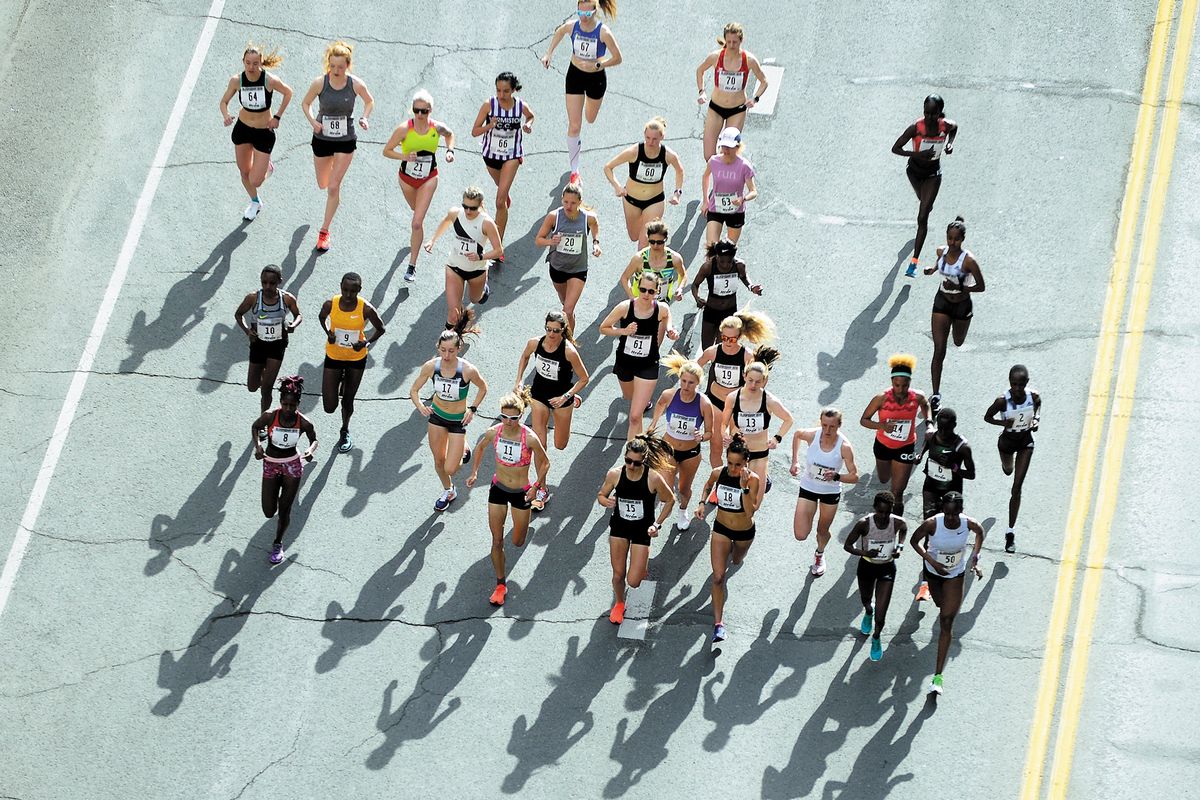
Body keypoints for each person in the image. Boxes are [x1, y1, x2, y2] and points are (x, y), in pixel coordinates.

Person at [466, 387, 550, 606]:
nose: (508, 421)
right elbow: (480, 447)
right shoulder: (494, 432)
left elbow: (545, 462)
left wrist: (536, 487)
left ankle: (526, 525)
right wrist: (474, 472)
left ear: (521, 416)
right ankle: (500, 584)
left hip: (522, 493)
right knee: (497, 540)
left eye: (513, 418)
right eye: (504, 416)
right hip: (498, 489)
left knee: (518, 541)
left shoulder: (529, 438)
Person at [300, 41, 375, 252]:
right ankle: (332, 174)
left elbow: (369, 101)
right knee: (322, 184)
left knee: (333, 186)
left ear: (348, 66)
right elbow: (305, 103)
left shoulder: (355, 84)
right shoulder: (319, 83)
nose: (336, 71)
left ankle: (324, 231)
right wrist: (313, 122)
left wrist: (364, 118)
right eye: (332, 66)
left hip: (345, 139)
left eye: (340, 67)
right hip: (322, 138)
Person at [909, 491, 985, 695]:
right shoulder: (933, 523)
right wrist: (931, 561)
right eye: (948, 514)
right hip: (934, 573)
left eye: (955, 514)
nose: (951, 518)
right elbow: (914, 541)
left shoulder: (968, 523)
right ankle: (929, 590)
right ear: (943, 510)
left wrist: (975, 557)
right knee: (940, 605)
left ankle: (937, 677)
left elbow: (980, 532)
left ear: (961, 511)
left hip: (955, 575)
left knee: (946, 621)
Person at [410, 318, 489, 512]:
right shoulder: (431, 367)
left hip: (456, 421)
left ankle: (463, 447)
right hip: (437, 417)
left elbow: (483, 388)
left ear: (458, 349)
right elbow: (414, 390)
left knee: (451, 468)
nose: (446, 355)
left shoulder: (468, 370)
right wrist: (420, 405)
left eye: (451, 351)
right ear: (438, 348)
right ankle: (448, 490)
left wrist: (472, 409)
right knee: (438, 461)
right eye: (443, 350)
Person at [540, 0, 623, 184]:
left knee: (590, 119)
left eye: (587, 14)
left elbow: (618, 58)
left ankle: (588, 107)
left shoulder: (603, 32)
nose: (583, 18)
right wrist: (549, 53)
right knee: (575, 125)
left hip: (596, 78)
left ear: (595, 11)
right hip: (575, 75)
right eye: (580, 13)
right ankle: (574, 170)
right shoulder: (572, 26)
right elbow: (560, 31)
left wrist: (601, 64)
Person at [514, 311, 590, 511]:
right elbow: (524, 357)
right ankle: (541, 488)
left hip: (561, 398)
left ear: (563, 330)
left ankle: (574, 398)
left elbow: (584, 378)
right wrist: (519, 380)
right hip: (538, 394)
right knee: (540, 444)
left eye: (556, 330)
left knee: (561, 444)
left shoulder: (569, 351)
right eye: (548, 329)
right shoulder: (535, 343)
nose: (551, 334)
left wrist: (566, 396)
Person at [596, 432, 675, 625]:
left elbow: (669, 500)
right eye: (628, 461)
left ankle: (640, 569)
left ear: (644, 461)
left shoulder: (653, 478)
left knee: (633, 581)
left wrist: (657, 524)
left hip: (642, 530)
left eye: (636, 463)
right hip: (620, 527)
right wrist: (606, 501)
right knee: (618, 574)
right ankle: (619, 603)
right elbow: (601, 495)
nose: (631, 466)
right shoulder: (615, 474)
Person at [382, 89, 456, 283]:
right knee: (415, 209)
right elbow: (386, 151)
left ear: (430, 110)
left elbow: (450, 135)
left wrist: (450, 151)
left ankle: (412, 266)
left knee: (416, 222)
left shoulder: (436, 128)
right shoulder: (404, 129)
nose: (420, 115)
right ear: (412, 110)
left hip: (429, 178)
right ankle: (416, 236)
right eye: (417, 111)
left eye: (424, 111)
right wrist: (403, 156)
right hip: (407, 178)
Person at [695, 434, 762, 642]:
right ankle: (718, 625)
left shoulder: (753, 480)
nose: (733, 469)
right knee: (718, 577)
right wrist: (701, 502)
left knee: (736, 560)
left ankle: (735, 556)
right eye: (730, 463)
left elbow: (750, 512)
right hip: (721, 529)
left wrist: (743, 487)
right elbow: (707, 485)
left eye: (738, 465)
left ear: (746, 463)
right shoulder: (718, 473)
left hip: (744, 532)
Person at [599, 271, 678, 438]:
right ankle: (641, 403)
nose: (646, 294)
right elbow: (603, 328)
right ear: (637, 288)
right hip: (625, 362)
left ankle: (634, 456)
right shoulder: (625, 307)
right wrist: (624, 331)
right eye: (643, 290)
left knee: (635, 416)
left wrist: (670, 330)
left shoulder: (661, 309)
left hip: (648, 364)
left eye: (651, 291)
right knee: (629, 396)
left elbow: (667, 318)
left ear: (657, 292)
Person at [219, 45, 293, 221]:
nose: (251, 67)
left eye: (255, 63)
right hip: (243, 129)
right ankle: (255, 202)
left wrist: (277, 117)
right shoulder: (237, 81)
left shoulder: (269, 80)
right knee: (244, 172)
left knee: (255, 180)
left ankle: (267, 167)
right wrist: (226, 115)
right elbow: (223, 102)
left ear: (261, 63)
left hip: (263, 132)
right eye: (247, 63)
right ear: (243, 62)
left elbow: (288, 93)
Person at [695, 311, 777, 467]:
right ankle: (720, 480)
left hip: (737, 406)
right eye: (724, 337)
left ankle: (739, 481)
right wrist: (696, 389)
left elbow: (761, 377)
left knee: (739, 448)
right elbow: (694, 367)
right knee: (716, 446)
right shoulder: (712, 352)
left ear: (739, 337)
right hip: (716, 402)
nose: (727, 342)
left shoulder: (747, 356)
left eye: (731, 339)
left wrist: (752, 395)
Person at [251, 376, 317, 564]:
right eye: (285, 404)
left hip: (292, 465)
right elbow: (255, 427)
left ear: (298, 403)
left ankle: (278, 543)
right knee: (268, 511)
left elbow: (314, 439)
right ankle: (278, 501)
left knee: (285, 510)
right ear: (280, 402)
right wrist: (258, 447)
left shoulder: (304, 422)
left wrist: (310, 450)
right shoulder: (270, 416)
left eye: (292, 405)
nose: (288, 409)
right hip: (271, 463)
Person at [892, 94, 958, 277]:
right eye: (926, 113)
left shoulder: (945, 125)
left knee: (922, 217)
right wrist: (917, 155)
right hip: (914, 172)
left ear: (939, 114)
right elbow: (895, 148)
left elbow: (955, 128)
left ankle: (914, 262)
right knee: (924, 201)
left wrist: (950, 145)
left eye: (933, 114)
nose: (929, 117)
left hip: (932, 174)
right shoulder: (916, 128)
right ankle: (927, 202)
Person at [318, 272, 385, 453]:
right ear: (340, 286)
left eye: (353, 291)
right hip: (334, 356)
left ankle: (345, 430)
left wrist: (367, 342)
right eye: (345, 290)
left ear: (359, 290)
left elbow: (381, 328)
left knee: (347, 400)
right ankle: (340, 380)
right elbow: (321, 317)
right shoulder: (331, 304)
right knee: (329, 407)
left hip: (356, 358)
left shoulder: (366, 309)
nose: (348, 295)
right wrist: (328, 334)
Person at [925, 216, 985, 413]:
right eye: (950, 238)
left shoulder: (969, 261)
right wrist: (932, 270)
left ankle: (957, 331)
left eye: (956, 239)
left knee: (958, 341)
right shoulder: (941, 252)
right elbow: (940, 262)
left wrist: (960, 286)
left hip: (961, 306)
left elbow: (981, 286)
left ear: (963, 239)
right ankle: (935, 395)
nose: (952, 242)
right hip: (942, 302)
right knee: (939, 349)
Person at [790, 408, 859, 577]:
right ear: (820, 423)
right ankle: (815, 537)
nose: (827, 430)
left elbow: (854, 476)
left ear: (839, 426)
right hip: (808, 488)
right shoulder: (812, 435)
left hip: (830, 493)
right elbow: (797, 434)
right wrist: (795, 462)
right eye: (824, 425)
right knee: (800, 534)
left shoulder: (844, 447)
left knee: (822, 530)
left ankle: (819, 554)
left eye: (832, 427)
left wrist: (837, 476)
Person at [859, 354, 931, 517]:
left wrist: (929, 424)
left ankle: (896, 524)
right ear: (892, 382)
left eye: (904, 385)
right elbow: (864, 420)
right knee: (884, 479)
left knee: (897, 492)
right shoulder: (881, 398)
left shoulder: (917, 396)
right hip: (883, 446)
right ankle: (892, 470)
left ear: (909, 383)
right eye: (897, 385)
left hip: (905, 446)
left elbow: (926, 405)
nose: (900, 389)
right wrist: (881, 426)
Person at [914, 407, 975, 601]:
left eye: (947, 429)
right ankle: (925, 585)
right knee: (928, 531)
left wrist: (954, 467)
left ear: (955, 427)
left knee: (946, 532)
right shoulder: (932, 436)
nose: (943, 432)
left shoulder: (962, 446)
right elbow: (926, 443)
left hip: (951, 495)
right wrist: (920, 456)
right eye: (940, 428)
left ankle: (949, 565)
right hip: (931, 488)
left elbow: (971, 474)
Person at [649, 355, 716, 530]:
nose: (685, 386)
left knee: (684, 489)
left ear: (698, 383)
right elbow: (660, 404)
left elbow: (710, 432)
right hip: (668, 449)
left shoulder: (704, 403)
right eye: (683, 381)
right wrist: (653, 423)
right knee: (666, 486)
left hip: (690, 453)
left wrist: (702, 436)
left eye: (690, 383)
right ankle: (664, 511)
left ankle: (682, 510)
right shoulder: (669, 395)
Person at [425, 187, 505, 330]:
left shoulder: (486, 223)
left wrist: (480, 256)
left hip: (476, 271)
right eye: (465, 206)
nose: (468, 211)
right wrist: (432, 240)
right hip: (454, 267)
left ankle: (483, 291)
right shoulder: (455, 213)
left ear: (480, 205)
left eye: (472, 208)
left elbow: (499, 250)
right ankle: (451, 342)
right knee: (453, 313)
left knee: (475, 299)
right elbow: (445, 222)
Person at [471, 72, 535, 243]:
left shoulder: (520, 106)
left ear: (513, 90)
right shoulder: (489, 105)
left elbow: (530, 115)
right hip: (491, 156)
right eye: (498, 90)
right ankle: (504, 193)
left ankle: (497, 246)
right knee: (502, 190)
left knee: (500, 202)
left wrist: (528, 124)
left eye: (506, 91)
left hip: (512, 156)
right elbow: (474, 131)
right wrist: (489, 126)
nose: (501, 95)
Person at [844, 491, 907, 662]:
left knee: (881, 615)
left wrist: (900, 547)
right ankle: (868, 611)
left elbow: (904, 529)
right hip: (866, 567)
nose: (884, 516)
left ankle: (877, 637)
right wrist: (865, 552)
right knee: (866, 600)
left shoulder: (896, 522)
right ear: (874, 508)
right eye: (881, 511)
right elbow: (847, 545)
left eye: (888, 512)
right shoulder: (864, 524)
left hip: (887, 569)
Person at [719, 358, 792, 504]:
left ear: (764, 381)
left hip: (759, 453)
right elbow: (723, 424)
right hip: (738, 453)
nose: (753, 385)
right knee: (735, 496)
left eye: (758, 382)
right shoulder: (733, 398)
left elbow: (788, 419)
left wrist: (777, 438)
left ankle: (765, 478)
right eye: (750, 380)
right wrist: (725, 435)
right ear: (744, 376)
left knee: (755, 501)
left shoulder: (769, 400)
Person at [984, 365, 1041, 553]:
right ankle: (1006, 465)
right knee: (1008, 470)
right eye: (1014, 384)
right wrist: (1002, 422)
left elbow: (1038, 408)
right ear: (1010, 383)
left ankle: (1010, 532)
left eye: (1021, 384)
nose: (1017, 388)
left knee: (1016, 488)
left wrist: (1036, 420)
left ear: (1027, 383)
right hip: (1007, 443)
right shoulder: (1002, 401)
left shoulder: (1033, 397)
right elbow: (987, 417)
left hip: (1025, 442)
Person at [602, 117, 684, 247]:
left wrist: (677, 192)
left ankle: (641, 266)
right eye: (647, 138)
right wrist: (617, 186)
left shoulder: (669, 155)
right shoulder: (634, 151)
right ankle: (642, 222)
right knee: (634, 236)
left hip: (655, 201)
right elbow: (608, 167)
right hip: (631, 200)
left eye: (654, 139)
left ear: (662, 137)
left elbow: (680, 171)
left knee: (643, 244)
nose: (650, 142)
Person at [694, 23, 769, 161]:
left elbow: (764, 81)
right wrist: (701, 91)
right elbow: (700, 71)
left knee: (728, 154)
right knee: (709, 157)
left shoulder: (749, 60)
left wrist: (755, 98)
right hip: (716, 108)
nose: (731, 45)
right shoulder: (715, 57)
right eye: (728, 42)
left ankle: (727, 181)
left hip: (737, 110)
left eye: (735, 42)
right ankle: (716, 180)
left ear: (741, 40)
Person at [233, 264, 302, 412]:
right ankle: (264, 372)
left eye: (272, 283)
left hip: (277, 344)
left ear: (279, 281)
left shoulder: (287, 299)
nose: (267, 286)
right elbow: (238, 314)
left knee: (266, 389)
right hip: (258, 343)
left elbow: (298, 315)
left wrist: (293, 325)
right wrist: (247, 331)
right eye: (264, 282)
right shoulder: (253, 298)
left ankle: (263, 418)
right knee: (252, 386)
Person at [533, 183, 601, 331]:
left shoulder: (587, 218)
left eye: (573, 203)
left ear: (580, 202)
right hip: (557, 267)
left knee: (567, 310)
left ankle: (569, 342)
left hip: (578, 269)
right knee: (566, 306)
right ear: (561, 199)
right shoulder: (554, 217)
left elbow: (595, 226)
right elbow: (538, 240)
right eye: (565, 202)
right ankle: (569, 323)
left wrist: (596, 243)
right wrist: (550, 241)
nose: (568, 206)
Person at [690, 239, 762, 349]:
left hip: (729, 312)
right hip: (711, 311)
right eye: (722, 261)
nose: (725, 265)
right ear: (717, 256)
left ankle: (715, 365)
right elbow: (695, 284)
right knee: (707, 348)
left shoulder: (739, 265)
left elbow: (743, 277)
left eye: (729, 261)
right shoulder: (708, 266)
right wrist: (697, 298)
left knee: (722, 347)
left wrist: (751, 287)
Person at [701, 126, 757, 246]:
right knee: (711, 247)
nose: (725, 150)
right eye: (723, 146)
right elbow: (705, 177)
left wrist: (743, 199)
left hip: (735, 211)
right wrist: (705, 200)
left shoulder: (744, 166)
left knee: (729, 249)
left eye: (729, 147)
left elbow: (753, 191)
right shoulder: (714, 161)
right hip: (716, 208)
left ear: (737, 147)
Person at [617, 219, 687, 303]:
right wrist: (631, 297)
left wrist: (680, 288)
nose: (655, 245)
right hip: (640, 302)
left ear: (666, 239)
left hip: (662, 302)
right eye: (652, 242)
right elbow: (625, 277)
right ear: (648, 239)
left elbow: (683, 275)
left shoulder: (675, 259)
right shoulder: (639, 258)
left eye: (659, 242)